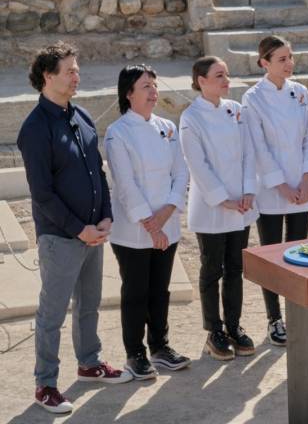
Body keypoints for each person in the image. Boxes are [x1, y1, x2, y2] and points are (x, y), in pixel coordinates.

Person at [17, 42, 132, 414]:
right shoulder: (34, 129)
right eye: (69, 70)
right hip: (60, 237)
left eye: (77, 69)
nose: (76, 75)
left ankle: (89, 363)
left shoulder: (80, 114)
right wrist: (78, 229)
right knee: (52, 313)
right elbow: (43, 195)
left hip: (94, 232)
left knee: (89, 305)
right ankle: (46, 384)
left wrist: (106, 215)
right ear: (48, 77)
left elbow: (97, 172)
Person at [104, 64, 191, 379]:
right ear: (129, 94)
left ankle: (160, 347)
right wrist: (150, 224)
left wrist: (166, 213)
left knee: (160, 290)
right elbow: (125, 185)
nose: (154, 92)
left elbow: (180, 172)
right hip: (134, 231)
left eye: (154, 85)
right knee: (136, 291)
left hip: (166, 225)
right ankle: (135, 354)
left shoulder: (167, 126)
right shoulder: (118, 133)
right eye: (145, 87)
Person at [180, 56, 259, 360]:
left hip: (241, 203)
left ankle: (235, 326)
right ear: (201, 81)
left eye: (226, 75)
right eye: (219, 76)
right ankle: (214, 330)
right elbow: (196, 162)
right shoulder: (191, 117)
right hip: (213, 207)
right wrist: (220, 197)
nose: (226, 81)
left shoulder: (237, 111)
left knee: (236, 268)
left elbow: (249, 152)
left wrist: (249, 190)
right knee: (213, 268)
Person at [243, 36, 308, 346]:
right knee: (272, 257)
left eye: (291, 57)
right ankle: (275, 318)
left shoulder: (299, 92)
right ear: (264, 63)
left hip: (302, 186)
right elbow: (258, 147)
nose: (289, 64)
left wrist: (306, 177)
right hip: (271, 188)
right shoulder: (253, 98)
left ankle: (299, 313)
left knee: (299, 253)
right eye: (282, 59)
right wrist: (281, 185)